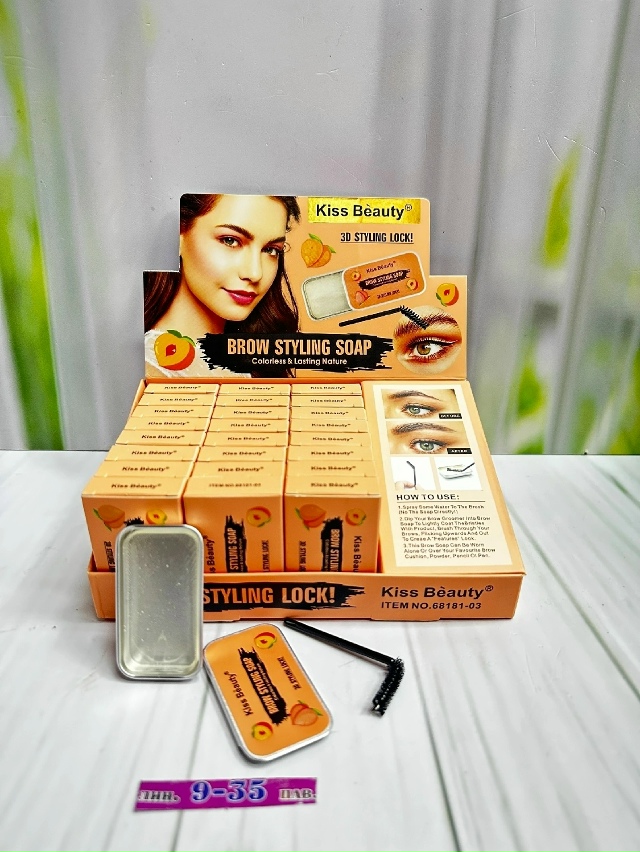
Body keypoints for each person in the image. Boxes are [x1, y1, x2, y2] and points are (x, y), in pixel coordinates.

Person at [144, 194, 300, 378]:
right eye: (230, 240)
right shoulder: (153, 374)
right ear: (177, 236)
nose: (255, 273)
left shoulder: (250, 360)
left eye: (270, 250)